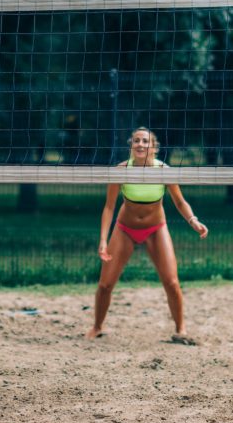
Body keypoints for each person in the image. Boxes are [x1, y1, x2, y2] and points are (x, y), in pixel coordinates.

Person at [86, 127, 209, 342]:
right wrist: (103, 240)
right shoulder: (121, 170)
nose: (140, 144)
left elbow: (180, 202)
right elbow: (108, 208)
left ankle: (181, 329)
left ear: (154, 147)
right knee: (105, 284)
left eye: (145, 141)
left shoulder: (164, 171)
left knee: (171, 281)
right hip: (125, 228)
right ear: (131, 145)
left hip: (156, 228)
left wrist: (193, 220)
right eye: (136, 141)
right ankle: (97, 326)